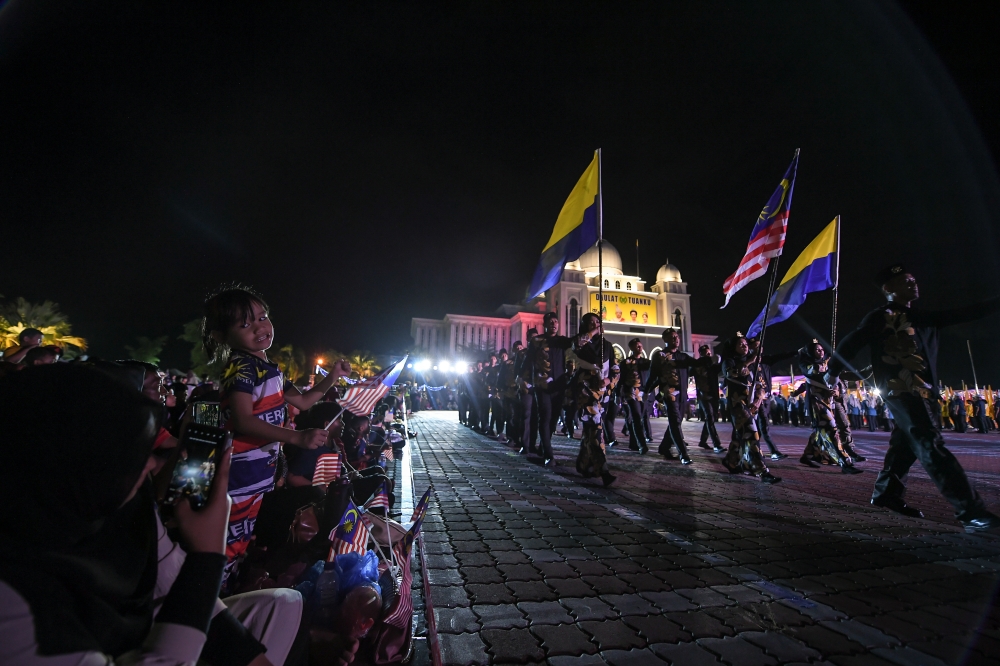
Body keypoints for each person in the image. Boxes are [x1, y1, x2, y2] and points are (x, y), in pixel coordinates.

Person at [0, 365, 336, 666]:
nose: (150, 463)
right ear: (74, 461)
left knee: (283, 604)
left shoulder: (126, 505)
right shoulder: (14, 594)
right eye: (130, 454)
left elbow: (174, 582)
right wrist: (207, 556)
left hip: (145, 633)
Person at [829, 264, 1000, 531]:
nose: (913, 283)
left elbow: (967, 312)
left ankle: (887, 493)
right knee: (930, 444)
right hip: (901, 390)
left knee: (904, 446)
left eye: (913, 279)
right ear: (888, 288)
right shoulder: (880, 317)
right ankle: (970, 511)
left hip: (925, 393)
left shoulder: (922, 317)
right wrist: (832, 372)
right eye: (905, 281)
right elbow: (852, 342)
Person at [202, 285, 352, 584]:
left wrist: (333, 377)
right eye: (245, 324)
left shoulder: (268, 368)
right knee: (228, 540)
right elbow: (242, 420)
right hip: (239, 472)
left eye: (262, 318)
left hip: (258, 472)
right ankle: (212, 594)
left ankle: (229, 588)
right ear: (220, 336)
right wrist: (296, 437)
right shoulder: (241, 367)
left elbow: (304, 401)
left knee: (241, 537)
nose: (260, 328)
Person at [718, 333, 780, 484]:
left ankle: (731, 460)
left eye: (746, 344)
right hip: (738, 404)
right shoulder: (729, 361)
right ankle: (761, 470)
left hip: (752, 404)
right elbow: (732, 373)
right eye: (740, 344)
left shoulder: (753, 364)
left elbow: (760, 384)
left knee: (740, 435)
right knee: (752, 434)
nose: (745, 346)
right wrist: (750, 360)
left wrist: (758, 399)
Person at [796, 339, 862, 475]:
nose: (821, 352)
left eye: (822, 349)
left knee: (818, 431)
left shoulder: (827, 365)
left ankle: (807, 456)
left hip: (829, 401)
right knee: (832, 430)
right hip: (817, 403)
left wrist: (835, 390)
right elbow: (815, 370)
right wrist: (828, 362)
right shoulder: (805, 364)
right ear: (810, 352)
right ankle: (845, 462)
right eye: (817, 350)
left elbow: (833, 381)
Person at [644, 329, 711, 464]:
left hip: (682, 395)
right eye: (672, 337)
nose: (676, 339)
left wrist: (709, 359)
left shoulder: (683, 357)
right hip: (669, 394)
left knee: (676, 422)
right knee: (675, 422)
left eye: (676, 337)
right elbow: (653, 375)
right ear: (665, 340)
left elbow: (696, 363)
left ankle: (664, 447)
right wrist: (646, 391)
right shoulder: (659, 356)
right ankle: (683, 454)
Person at [569, 312, 618, 486]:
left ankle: (583, 464)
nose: (595, 324)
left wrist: (608, 380)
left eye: (597, 322)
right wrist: (593, 332)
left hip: (603, 393)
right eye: (591, 323)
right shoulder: (581, 343)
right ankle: (603, 470)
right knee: (596, 428)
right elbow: (576, 345)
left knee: (590, 430)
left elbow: (615, 369)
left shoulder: (607, 346)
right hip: (586, 392)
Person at [523, 313, 573, 465]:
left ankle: (544, 446)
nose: (554, 323)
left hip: (558, 386)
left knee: (553, 419)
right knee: (545, 416)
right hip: (542, 385)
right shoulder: (537, 341)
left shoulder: (561, 341)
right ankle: (548, 455)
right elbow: (528, 361)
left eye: (556, 321)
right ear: (544, 324)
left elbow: (576, 341)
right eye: (550, 321)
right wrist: (524, 378)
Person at [746, 337, 794, 460]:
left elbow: (780, 356)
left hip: (766, 398)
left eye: (759, 346)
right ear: (749, 348)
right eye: (755, 346)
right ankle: (772, 451)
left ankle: (753, 450)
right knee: (762, 426)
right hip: (756, 399)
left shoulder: (765, 361)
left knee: (760, 427)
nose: (758, 348)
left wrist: (796, 352)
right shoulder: (748, 362)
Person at [619, 338, 651, 454]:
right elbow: (621, 379)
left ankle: (633, 443)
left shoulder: (646, 363)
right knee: (636, 417)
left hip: (642, 394)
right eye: (637, 346)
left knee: (640, 418)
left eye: (640, 345)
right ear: (632, 348)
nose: (640, 347)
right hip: (631, 393)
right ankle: (642, 445)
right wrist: (618, 394)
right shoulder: (626, 363)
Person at [691, 343, 723, 453]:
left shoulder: (713, 365)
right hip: (703, 395)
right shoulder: (698, 364)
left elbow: (720, 367)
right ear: (701, 354)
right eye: (706, 353)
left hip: (714, 395)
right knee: (709, 417)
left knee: (712, 418)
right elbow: (691, 371)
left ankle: (703, 441)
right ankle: (716, 444)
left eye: (709, 352)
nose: (708, 354)